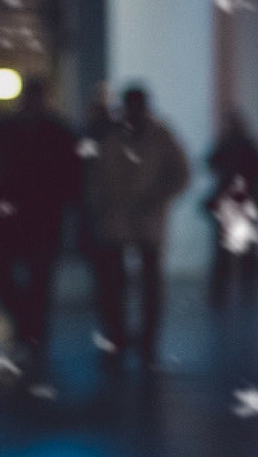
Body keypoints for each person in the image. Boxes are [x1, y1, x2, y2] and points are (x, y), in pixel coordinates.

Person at [83, 85, 190, 369]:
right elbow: (95, 176)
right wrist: (100, 204)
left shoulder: (156, 136)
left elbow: (181, 172)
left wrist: (157, 197)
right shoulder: (116, 137)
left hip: (145, 218)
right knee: (117, 282)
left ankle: (144, 336)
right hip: (117, 218)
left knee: (146, 282)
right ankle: (120, 333)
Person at [0, 78, 81, 365]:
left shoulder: (55, 131)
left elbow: (71, 174)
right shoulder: (13, 129)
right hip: (15, 215)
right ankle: (28, 325)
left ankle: (31, 329)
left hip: (39, 215)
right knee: (3, 274)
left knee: (37, 278)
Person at [204, 111, 258, 308]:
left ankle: (229, 294)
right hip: (237, 203)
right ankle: (237, 293)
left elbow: (211, 163)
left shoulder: (238, 146)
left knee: (234, 253)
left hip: (235, 203)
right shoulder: (243, 146)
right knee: (237, 253)